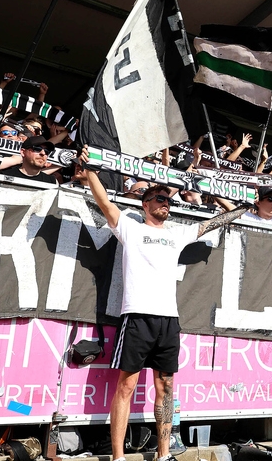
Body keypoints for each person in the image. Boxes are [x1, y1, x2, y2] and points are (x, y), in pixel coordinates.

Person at [78, 146, 249, 461]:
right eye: (159, 198)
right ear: (145, 205)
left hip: (169, 321)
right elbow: (103, 201)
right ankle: (118, 456)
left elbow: (220, 220)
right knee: (126, 388)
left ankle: (163, 454)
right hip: (137, 318)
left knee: (166, 390)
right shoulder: (130, 228)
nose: (166, 203)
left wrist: (232, 200)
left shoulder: (178, 234)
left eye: (168, 200)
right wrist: (90, 169)